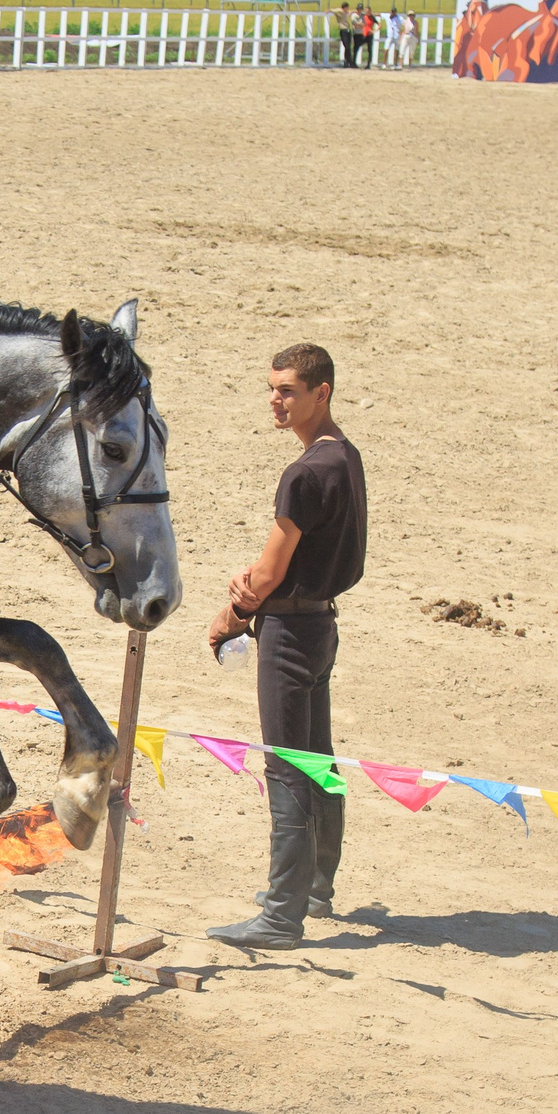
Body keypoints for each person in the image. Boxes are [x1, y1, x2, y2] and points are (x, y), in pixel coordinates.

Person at [204, 346, 367, 949]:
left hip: (289, 635)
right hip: (320, 627)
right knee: (318, 759)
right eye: (272, 389)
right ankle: (316, 887)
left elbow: (269, 575)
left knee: (287, 766)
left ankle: (281, 915)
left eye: (288, 391)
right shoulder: (345, 457)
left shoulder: (303, 474)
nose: (275, 400)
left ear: (321, 393)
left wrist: (233, 615)